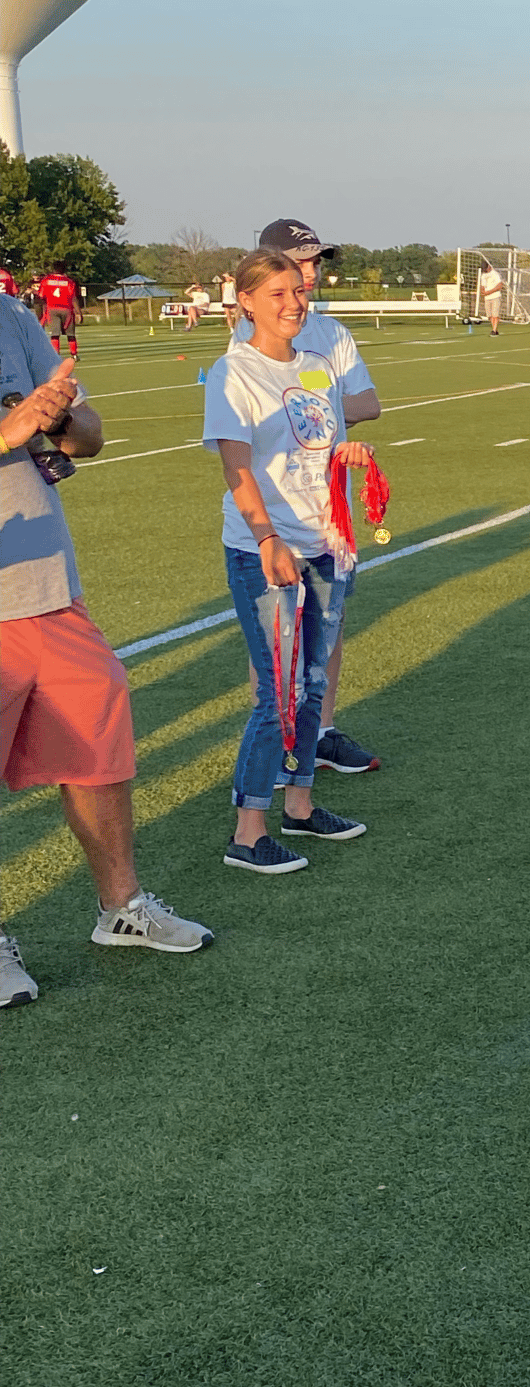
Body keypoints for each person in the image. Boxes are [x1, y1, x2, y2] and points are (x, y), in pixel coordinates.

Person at [2, 293, 216, 1009]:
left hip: (46, 583)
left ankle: (121, 907)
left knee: (96, 739)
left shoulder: (9, 315)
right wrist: (12, 428)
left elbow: (87, 436)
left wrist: (58, 415)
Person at [203, 249, 372, 874]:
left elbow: (316, 444)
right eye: (277, 293)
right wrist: (268, 537)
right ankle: (248, 833)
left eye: (298, 291)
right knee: (276, 694)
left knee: (314, 687)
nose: (294, 302)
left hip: (326, 544)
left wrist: (345, 452)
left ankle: (299, 807)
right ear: (245, 301)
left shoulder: (317, 365)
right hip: (265, 550)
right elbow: (236, 465)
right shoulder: (233, 372)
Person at [234, 219, 383, 776]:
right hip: (276, 510)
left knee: (329, 626)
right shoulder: (248, 343)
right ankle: (276, 740)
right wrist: (314, 405)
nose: (310, 274)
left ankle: (319, 732)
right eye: (299, 263)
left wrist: (310, 406)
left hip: (329, 507)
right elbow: (251, 426)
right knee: (277, 638)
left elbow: (367, 402)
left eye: (314, 263)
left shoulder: (331, 334)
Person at [36, 268, 80, 359]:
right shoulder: (69, 281)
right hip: (67, 309)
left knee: (54, 333)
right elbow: (73, 297)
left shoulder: (47, 280)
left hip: (52, 308)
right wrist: (78, 312)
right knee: (70, 333)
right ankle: (74, 354)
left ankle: (56, 355)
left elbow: (41, 295)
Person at [477, 259, 505, 335]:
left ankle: (494, 330)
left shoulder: (495, 274)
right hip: (487, 298)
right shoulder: (483, 275)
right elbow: (482, 286)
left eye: (486, 269)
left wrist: (489, 292)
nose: (485, 270)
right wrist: (483, 291)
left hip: (495, 296)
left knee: (495, 314)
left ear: (489, 266)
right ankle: (495, 329)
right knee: (490, 316)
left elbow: (499, 285)